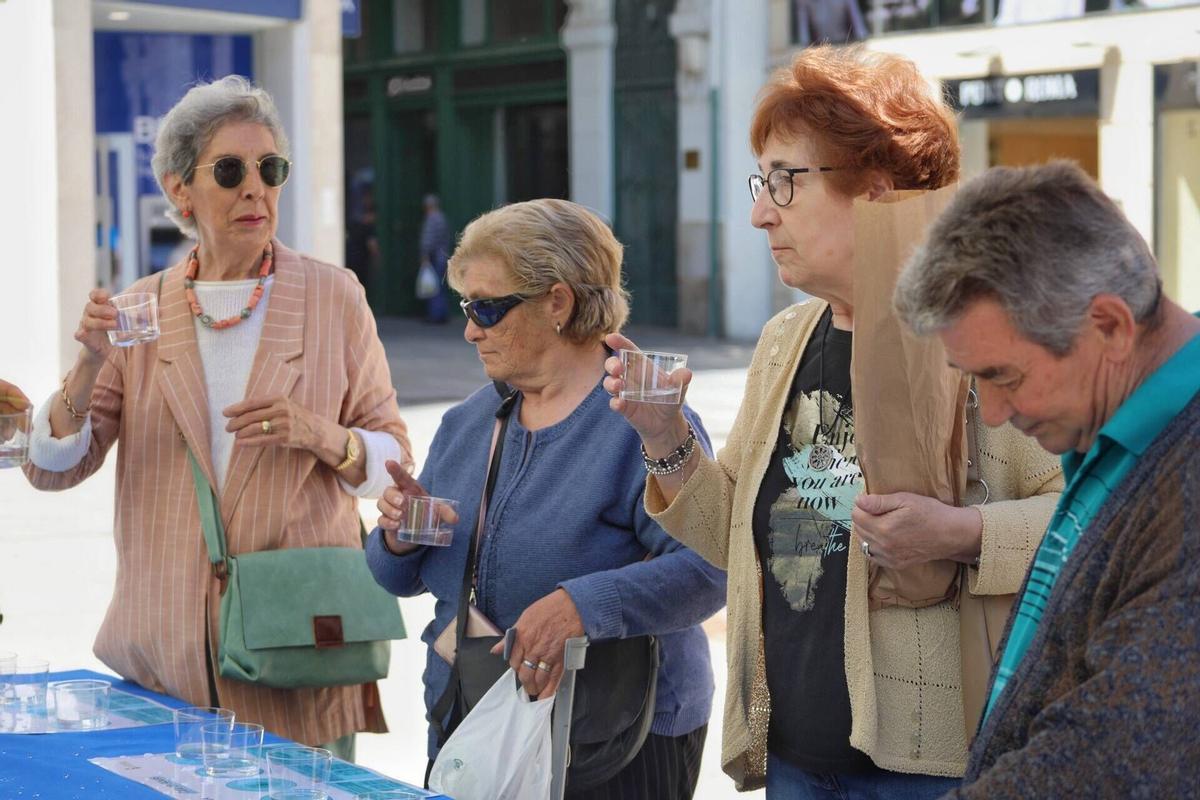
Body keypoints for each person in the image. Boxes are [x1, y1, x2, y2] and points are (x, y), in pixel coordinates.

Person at [603, 46, 1063, 797]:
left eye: (784, 181)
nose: (759, 212)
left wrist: (961, 533)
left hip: (930, 770)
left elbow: (1093, 521)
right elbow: (738, 537)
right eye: (761, 182)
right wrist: (664, 434)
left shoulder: (989, 333)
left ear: (876, 191)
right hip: (792, 755)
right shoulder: (787, 339)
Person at [21, 76, 412, 758]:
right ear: (179, 189)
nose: (255, 188)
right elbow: (52, 470)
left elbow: (394, 465)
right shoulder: (143, 309)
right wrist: (86, 365)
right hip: (168, 657)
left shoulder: (333, 296)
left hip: (298, 655)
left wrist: (316, 432)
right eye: (229, 171)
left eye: (271, 169)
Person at [366, 198, 726, 799]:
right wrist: (399, 537)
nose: (470, 328)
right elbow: (394, 576)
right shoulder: (468, 421)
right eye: (466, 305)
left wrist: (582, 607)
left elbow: (710, 570)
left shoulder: (644, 420)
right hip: (470, 720)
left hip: (613, 740)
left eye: (487, 307)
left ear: (557, 303)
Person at [894, 161, 1200, 797]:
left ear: (1110, 326)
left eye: (1004, 376)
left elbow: (1114, 757)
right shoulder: (1117, 430)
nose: (998, 412)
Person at [419, 194, 451, 324]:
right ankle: (442, 314)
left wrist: (424, 255)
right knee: (440, 287)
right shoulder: (442, 218)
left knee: (433, 287)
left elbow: (428, 239)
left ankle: (435, 315)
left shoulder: (432, 219)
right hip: (443, 256)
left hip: (435, 257)